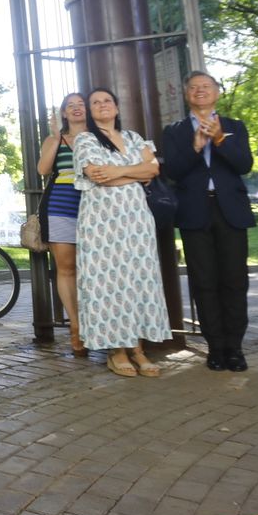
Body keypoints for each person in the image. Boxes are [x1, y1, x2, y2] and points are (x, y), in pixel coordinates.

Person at [73, 88, 171, 378]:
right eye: (95, 103)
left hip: (137, 221)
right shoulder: (85, 139)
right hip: (101, 223)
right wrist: (133, 172)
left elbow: (152, 170)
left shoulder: (133, 137)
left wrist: (117, 171)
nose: (102, 105)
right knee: (110, 284)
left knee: (137, 280)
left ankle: (138, 349)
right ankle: (116, 352)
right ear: (90, 111)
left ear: (116, 107)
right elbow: (96, 175)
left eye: (107, 101)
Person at [161, 71, 255, 372]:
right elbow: (173, 171)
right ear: (187, 94)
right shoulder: (174, 131)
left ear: (217, 92)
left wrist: (218, 140)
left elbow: (245, 164)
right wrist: (197, 147)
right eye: (193, 87)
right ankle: (215, 347)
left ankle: (235, 348)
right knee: (204, 283)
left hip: (231, 211)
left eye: (206, 86)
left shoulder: (234, 127)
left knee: (235, 280)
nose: (199, 91)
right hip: (194, 212)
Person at [37, 93, 88, 356]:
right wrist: (57, 137)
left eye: (81, 104)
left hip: (96, 207)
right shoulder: (54, 139)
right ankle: (76, 327)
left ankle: (99, 326)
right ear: (63, 114)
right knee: (66, 269)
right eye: (71, 106)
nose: (77, 109)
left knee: (93, 268)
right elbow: (43, 170)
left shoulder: (101, 137)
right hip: (61, 206)